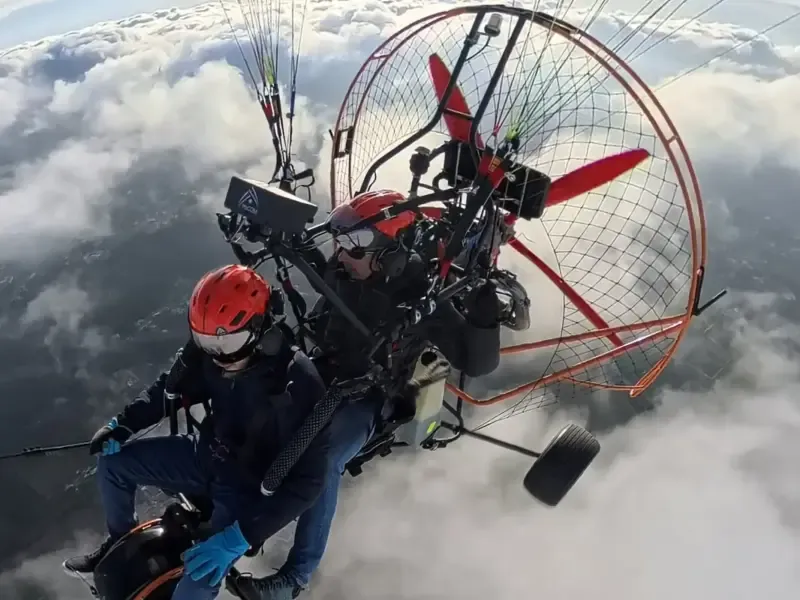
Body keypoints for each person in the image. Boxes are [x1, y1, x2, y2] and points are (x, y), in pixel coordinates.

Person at [233, 190, 505, 599]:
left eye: (353, 247)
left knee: (321, 461)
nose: (341, 256)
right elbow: (319, 273)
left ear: (388, 254)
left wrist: (484, 317)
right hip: (324, 371)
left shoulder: (418, 296)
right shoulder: (348, 270)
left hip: (371, 396)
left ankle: (295, 578)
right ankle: (235, 513)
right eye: (338, 243)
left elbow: (475, 362)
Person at [62, 264, 331, 600]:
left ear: (262, 330)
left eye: (228, 342)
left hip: (246, 487)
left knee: (202, 572)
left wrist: (243, 535)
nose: (218, 356)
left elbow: (310, 482)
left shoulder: (299, 383)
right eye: (206, 342)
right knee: (114, 467)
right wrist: (124, 424)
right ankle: (120, 549)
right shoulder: (215, 352)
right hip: (205, 456)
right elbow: (170, 387)